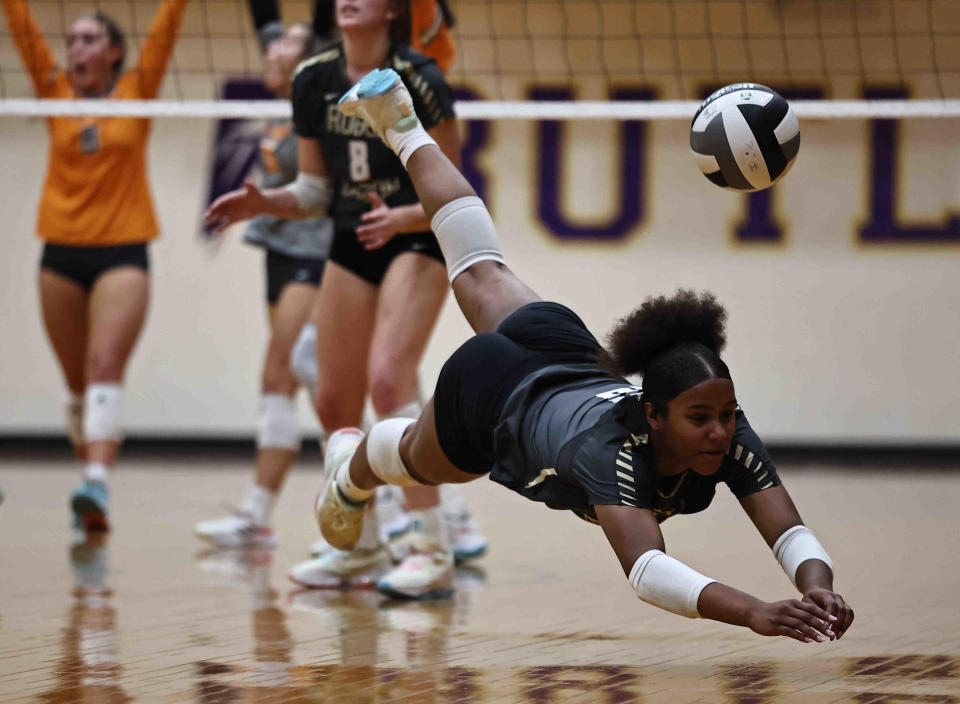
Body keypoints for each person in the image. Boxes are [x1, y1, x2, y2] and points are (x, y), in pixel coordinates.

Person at [313, 67, 855, 637]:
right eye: (701, 419)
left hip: (566, 355)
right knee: (417, 460)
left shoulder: (725, 430)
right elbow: (646, 569)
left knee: (480, 266)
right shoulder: (612, 452)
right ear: (653, 411)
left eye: (724, 414)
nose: (720, 431)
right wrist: (755, 612)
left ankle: (401, 125)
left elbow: (788, 531)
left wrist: (817, 589)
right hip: (495, 392)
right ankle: (348, 474)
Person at [204, 0, 473, 599]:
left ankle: (431, 546)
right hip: (353, 237)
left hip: (417, 238)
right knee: (333, 398)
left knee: (388, 379)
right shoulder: (313, 77)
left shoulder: (423, 77)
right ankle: (363, 543)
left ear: (392, 9)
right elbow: (314, 190)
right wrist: (264, 202)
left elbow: (453, 189)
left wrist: (402, 217)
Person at [2, 0, 189, 530]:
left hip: (123, 250)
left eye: (88, 39)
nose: (75, 48)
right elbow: (24, 30)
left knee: (104, 365)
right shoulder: (55, 91)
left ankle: (97, 486)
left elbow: (166, 30)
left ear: (113, 51)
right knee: (77, 386)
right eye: (72, 40)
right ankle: (89, 477)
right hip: (58, 252)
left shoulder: (136, 93)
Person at [194, 13, 333, 549]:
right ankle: (261, 514)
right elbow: (264, 17)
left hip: (315, 252)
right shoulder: (284, 98)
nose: (273, 51)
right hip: (277, 249)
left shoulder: (320, 97)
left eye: (288, 47)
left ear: (312, 55)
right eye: (273, 46)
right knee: (287, 380)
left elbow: (319, 27)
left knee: (295, 374)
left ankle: (362, 510)